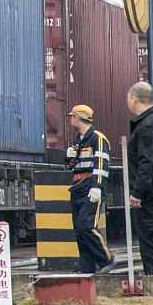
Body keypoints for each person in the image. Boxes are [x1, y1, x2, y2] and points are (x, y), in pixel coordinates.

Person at [64, 104, 114, 274]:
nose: (71, 120)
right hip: (78, 188)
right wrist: (68, 158)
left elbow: (101, 165)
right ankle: (86, 268)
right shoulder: (79, 140)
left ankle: (106, 259)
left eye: (72, 117)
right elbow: (74, 166)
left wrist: (97, 186)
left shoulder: (97, 139)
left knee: (87, 225)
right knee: (80, 230)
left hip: (90, 187)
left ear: (77, 118)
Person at [127, 82, 153, 274]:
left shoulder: (148, 126)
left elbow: (148, 162)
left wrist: (137, 192)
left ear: (134, 99)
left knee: (152, 242)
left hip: (151, 196)